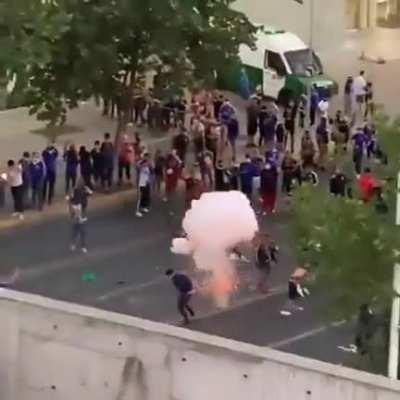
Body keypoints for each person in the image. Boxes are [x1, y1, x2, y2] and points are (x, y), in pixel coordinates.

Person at [136, 153, 152, 217]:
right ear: (144, 157)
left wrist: (150, 165)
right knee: (140, 197)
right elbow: (138, 167)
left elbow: (150, 172)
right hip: (141, 183)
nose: (148, 159)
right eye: (146, 157)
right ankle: (137, 211)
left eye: (149, 157)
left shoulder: (149, 165)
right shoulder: (140, 162)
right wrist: (145, 164)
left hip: (146, 182)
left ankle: (143, 207)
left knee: (146, 196)